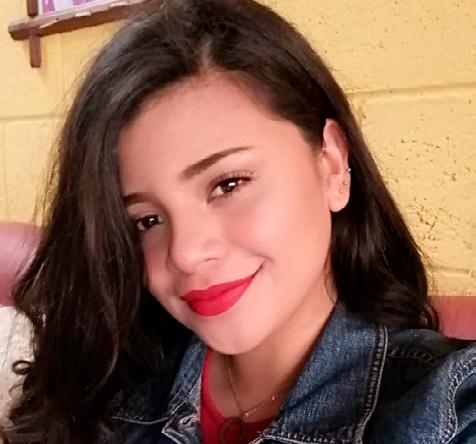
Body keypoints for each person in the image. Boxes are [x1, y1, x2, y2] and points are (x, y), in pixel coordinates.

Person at [1, 0, 474, 443]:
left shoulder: (445, 407)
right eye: (146, 220)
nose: (186, 253)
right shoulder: (115, 376)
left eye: (228, 184)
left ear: (332, 164)